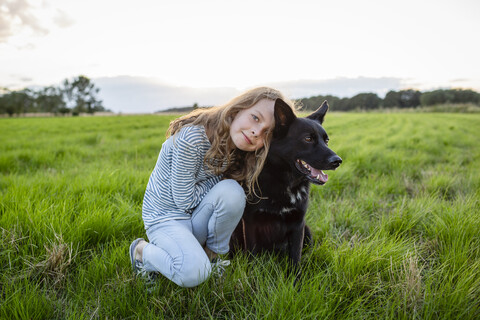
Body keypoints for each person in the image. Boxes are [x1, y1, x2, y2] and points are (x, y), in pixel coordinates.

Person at [129, 87, 295, 288]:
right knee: (195, 273)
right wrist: (222, 181)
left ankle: (212, 255)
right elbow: (184, 201)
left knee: (233, 193)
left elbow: (227, 196)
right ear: (237, 109)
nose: (256, 132)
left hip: (194, 216)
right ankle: (141, 251)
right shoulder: (192, 138)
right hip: (166, 217)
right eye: (255, 118)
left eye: (266, 133)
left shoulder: (238, 149)